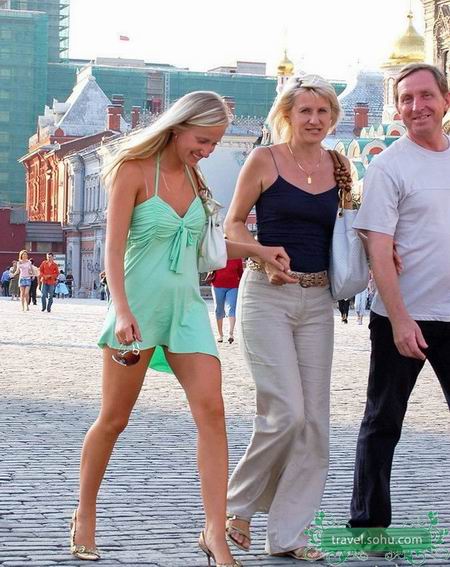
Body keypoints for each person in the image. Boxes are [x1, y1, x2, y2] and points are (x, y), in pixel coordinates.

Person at [72, 91, 290, 566]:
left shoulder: (196, 178)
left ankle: (214, 531)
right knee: (114, 419)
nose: (207, 151)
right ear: (178, 127)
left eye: (214, 143)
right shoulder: (133, 171)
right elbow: (113, 251)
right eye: (202, 140)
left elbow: (208, 247)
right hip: (138, 310)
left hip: (188, 310)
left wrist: (259, 250)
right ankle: (85, 513)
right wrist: (122, 310)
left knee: (213, 412)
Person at [224, 75, 350, 561]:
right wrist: (260, 252)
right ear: (287, 116)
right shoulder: (264, 160)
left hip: (319, 302)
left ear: (332, 117)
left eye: (322, 112)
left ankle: (288, 534)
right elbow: (233, 224)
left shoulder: (339, 165)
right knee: (285, 413)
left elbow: (347, 228)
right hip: (267, 297)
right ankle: (236, 507)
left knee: (314, 424)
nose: (314, 120)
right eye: (305, 111)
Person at [348, 63, 450, 531]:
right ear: (397, 108)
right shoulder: (388, 165)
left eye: (426, 95)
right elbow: (379, 249)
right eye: (406, 98)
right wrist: (400, 318)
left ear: (445, 101)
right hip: (402, 317)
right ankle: (368, 522)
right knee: (383, 421)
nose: (417, 106)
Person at [211, 259, 243, 344]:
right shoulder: (217, 255)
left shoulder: (237, 258)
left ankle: (231, 334)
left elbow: (241, 273)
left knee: (232, 308)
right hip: (217, 286)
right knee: (219, 309)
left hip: (233, 286)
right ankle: (220, 335)